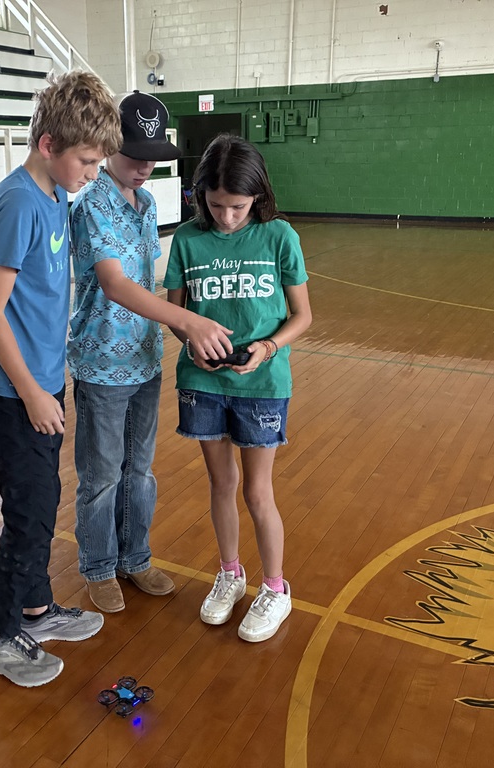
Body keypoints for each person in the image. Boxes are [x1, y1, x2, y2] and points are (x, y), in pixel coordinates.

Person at [0, 70, 122, 687]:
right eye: (87, 159)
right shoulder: (17, 202)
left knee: (42, 499)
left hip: (38, 380)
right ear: (49, 143)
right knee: (28, 512)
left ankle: (35, 608)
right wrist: (32, 391)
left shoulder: (58, 194)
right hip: (10, 388)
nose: (92, 172)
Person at [67, 92, 234, 613]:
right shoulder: (91, 203)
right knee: (102, 475)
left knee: (140, 470)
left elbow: (149, 281)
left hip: (143, 358)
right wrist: (186, 320)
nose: (144, 166)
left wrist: (184, 334)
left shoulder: (148, 204)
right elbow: (115, 284)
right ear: (108, 144)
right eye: (134, 154)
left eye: (152, 157)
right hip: (101, 363)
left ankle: (135, 558)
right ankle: (98, 564)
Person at [163, 133, 312, 642]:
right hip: (202, 383)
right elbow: (177, 315)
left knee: (256, 489)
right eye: (217, 205)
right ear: (201, 195)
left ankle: (275, 587)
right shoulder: (187, 240)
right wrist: (190, 336)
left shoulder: (278, 236)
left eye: (239, 207)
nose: (227, 217)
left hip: (263, 383)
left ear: (258, 197)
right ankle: (230, 574)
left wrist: (267, 349)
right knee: (221, 485)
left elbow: (302, 315)